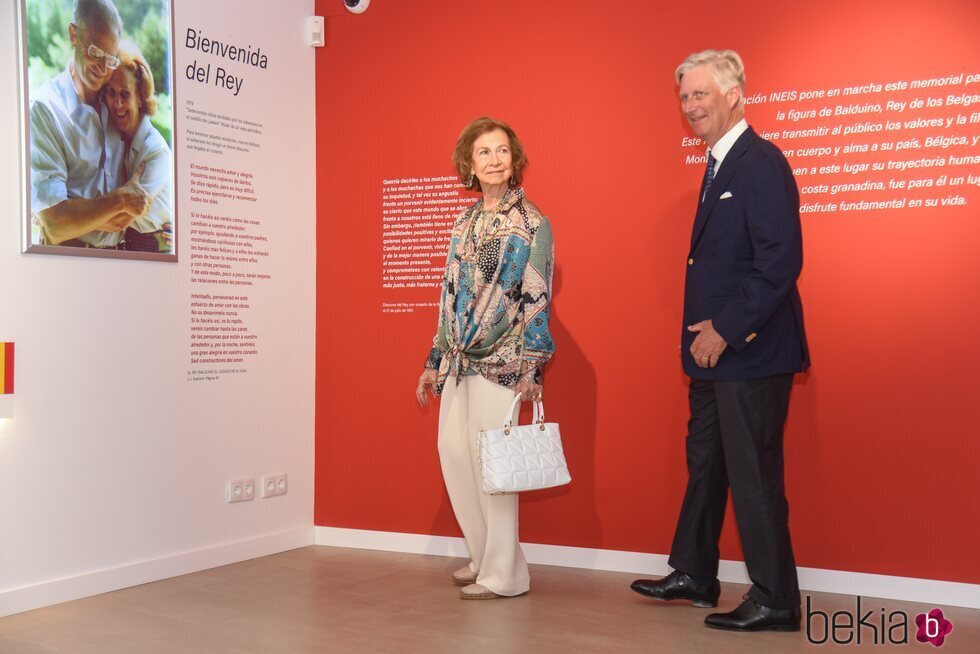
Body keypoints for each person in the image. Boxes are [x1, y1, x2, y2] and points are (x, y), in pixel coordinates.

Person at [630, 50, 810, 632]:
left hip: (749, 353)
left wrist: (728, 329)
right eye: (684, 97)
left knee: (754, 474)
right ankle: (695, 572)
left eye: (701, 94)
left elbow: (780, 262)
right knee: (706, 461)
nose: (690, 106)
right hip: (713, 358)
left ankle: (776, 598)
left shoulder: (761, 162)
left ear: (735, 93)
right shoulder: (715, 167)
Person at [416, 117, 555, 600]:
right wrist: (433, 359)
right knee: (455, 457)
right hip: (457, 359)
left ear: (514, 161)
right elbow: (448, 294)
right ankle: (482, 556)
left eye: (502, 151)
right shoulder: (465, 221)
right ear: (468, 165)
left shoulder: (532, 222)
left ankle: (505, 576)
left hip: (503, 360)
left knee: (492, 468)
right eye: (484, 153)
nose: (494, 160)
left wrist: (532, 366)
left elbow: (537, 295)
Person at [30, 0, 150, 249]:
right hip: (70, 261)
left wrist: (82, 213)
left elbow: (128, 217)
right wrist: (119, 201)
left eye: (111, 58)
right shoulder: (45, 108)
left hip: (122, 256)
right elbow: (55, 225)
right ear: (74, 34)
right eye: (95, 52)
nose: (104, 68)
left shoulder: (118, 107)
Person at [102, 41, 173, 253]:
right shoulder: (116, 138)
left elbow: (121, 218)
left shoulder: (155, 150)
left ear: (140, 98)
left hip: (153, 250)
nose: (117, 103)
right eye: (111, 92)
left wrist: (62, 217)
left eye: (125, 94)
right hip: (128, 248)